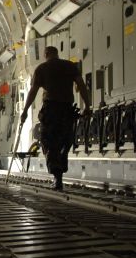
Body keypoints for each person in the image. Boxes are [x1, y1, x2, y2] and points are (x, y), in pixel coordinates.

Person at [20, 46, 90, 190]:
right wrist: (87, 106)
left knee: (49, 142)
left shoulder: (42, 69)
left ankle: (58, 179)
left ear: (46, 54)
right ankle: (63, 156)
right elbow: (82, 85)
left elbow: (32, 92)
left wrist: (25, 110)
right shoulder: (70, 66)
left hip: (51, 110)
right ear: (57, 54)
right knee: (66, 138)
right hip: (67, 110)